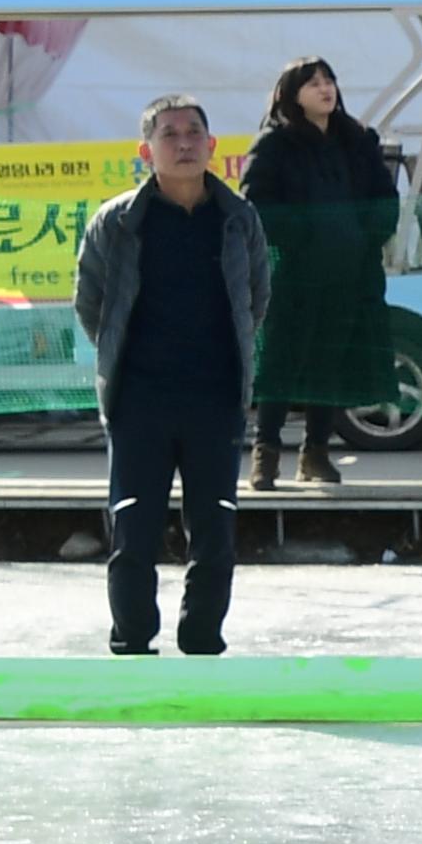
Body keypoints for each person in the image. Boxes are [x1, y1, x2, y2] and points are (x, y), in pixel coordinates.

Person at [72, 95, 269, 659]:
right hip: (140, 400)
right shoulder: (116, 222)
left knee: (215, 531)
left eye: (194, 133)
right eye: (169, 134)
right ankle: (132, 641)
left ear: (212, 146)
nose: (183, 143)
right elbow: (91, 304)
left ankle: (203, 639)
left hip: (216, 399)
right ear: (145, 151)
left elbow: (256, 298)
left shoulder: (239, 218)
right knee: (133, 530)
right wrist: (124, 361)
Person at [238, 56, 397, 489]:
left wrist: (367, 237)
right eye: (312, 83)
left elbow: (385, 197)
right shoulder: (274, 145)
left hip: (351, 271)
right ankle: (265, 455)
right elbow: (255, 203)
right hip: (294, 273)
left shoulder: (357, 139)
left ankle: (316, 454)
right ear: (291, 95)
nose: (325, 88)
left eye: (329, 80)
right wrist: (304, 235)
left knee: (332, 361)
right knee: (281, 363)